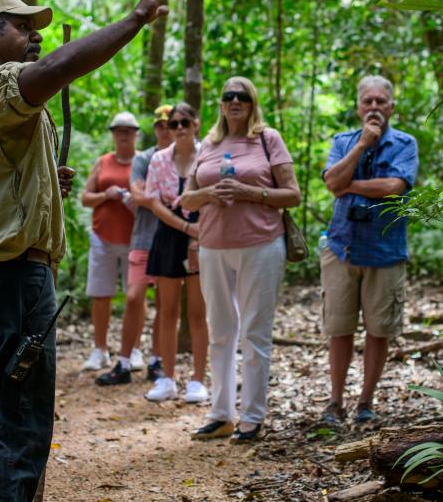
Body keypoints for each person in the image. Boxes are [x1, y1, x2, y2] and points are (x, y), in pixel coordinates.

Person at [0, 0, 188, 502]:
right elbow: (56, 67)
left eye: (36, 28)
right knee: (11, 427)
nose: (34, 35)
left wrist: (38, 180)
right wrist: (135, 18)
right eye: (20, 25)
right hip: (6, 280)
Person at [182, 78, 300, 442]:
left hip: (260, 245)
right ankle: (221, 415)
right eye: (228, 96)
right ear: (220, 104)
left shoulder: (268, 138)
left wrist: (249, 191)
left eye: (242, 96)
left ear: (252, 103)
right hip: (213, 245)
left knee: (254, 331)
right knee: (220, 331)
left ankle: (252, 416)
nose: (235, 101)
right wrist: (207, 192)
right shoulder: (209, 145)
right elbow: (186, 201)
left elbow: (293, 195)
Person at [319, 75, 418, 426]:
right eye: (368, 102)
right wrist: (361, 145)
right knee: (339, 328)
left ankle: (365, 402)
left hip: (385, 251)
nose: (374, 107)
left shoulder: (405, 144)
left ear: (391, 106)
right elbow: (332, 182)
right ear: (359, 107)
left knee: (379, 330)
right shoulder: (343, 141)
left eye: (381, 101)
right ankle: (335, 403)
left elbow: (395, 186)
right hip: (341, 248)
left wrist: (349, 186)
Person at [96, 104, 173, 386]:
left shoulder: (187, 157)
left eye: (171, 125)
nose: (166, 130)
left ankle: (157, 360)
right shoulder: (144, 159)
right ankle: (124, 362)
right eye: (161, 126)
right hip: (142, 238)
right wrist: (167, 198)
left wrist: (154, 198)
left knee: (165, 303)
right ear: (155, 129)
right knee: (133, 298)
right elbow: (139, 194)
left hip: (172, 242)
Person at [143, 102, 209, 403]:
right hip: (170, 235)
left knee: (197, 312)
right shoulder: (158, 159)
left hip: (203, 232)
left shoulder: (207, 153)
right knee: (166, 311)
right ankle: (167, 378)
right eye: (174, 124)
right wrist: (186, 228)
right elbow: (154, 202)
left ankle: (198, 379)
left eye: (185, 122)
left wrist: (197, 233)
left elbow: (212, 195)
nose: (179, 128)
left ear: (195, 123)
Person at [81, 111, 140, 371]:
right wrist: (106, 194)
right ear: (113, 134)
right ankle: (100, 350)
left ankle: (134, 349)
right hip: (102, 238)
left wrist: (133, 199)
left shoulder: (144, 161)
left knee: (134, 297)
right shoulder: (103, 162)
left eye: (128, 130)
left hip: (135, 239)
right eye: (119, 130)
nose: (124, 134)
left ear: (136, 134)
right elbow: (85, 197)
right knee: (101, 295)